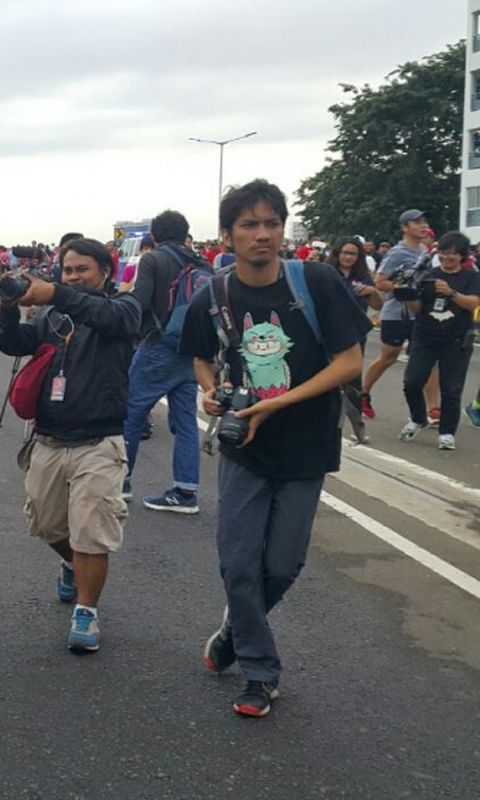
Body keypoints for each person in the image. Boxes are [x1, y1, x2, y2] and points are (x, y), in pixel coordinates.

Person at [180, 180, 371, 718]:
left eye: (271, 223)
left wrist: (276, 403)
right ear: (228, 235)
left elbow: (349, 362)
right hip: (245, 447)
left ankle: (233, 633)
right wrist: (210, 391)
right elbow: (199, 357)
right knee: (239, 563)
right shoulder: (212, 295)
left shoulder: (316, 281)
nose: (262, 234)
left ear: (283, 229)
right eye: (249, 225)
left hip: (307, 444)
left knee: (282, 565)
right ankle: (261, 674)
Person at [0, 238, 139, 651]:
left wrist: (58, 293)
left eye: (83, 269)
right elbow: (12, 342)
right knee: (45, 522)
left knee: (91, 532)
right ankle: (73, 565)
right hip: (50, 438)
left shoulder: (124, 309)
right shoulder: (52, 317)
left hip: (99, 441)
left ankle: (87, 612)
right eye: (67, 270)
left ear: (106, 272)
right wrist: (7, 307)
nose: (73, 276)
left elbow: (107, 317)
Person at [122, 210, 205, 512]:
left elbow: (139, 302)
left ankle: (122, 481)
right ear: (186, 233)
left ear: (155, 236)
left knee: (130, 412)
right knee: (185, 422)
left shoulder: (153, 259)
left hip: (158, 346)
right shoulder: (200, 262)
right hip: (191, 351)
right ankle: (185, 491)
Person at [398, 231, 480, 450]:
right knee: (412, 381)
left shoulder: (471, 277)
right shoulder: (428, 275)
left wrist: (451, 293)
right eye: (443, 252)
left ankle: (447, 432)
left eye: (453, 254)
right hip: (425, 335)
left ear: (462, 256)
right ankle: (418, 417)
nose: (447, 257)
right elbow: (417, 309)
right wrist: (409, 297)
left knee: (451, 388)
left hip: (456, 339)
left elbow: (473, 303)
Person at [362, 210, 438, 420]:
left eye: (424, 221)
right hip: (396, 314)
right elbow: (379, 281)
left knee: (429, 360)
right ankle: (363, 393)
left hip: (420, 314)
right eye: (417, 222)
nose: (423, 226)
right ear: (405, 227)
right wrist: (398, 289)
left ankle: (434, 409)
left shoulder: (425, 250)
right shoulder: (397, 253)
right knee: (389, 357)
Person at [327, 237, 382, 443]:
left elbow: (378, 305)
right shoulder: (328, 274)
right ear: (337, 254)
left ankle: (358, 429)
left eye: (353, 254)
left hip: (355, 335)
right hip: (329, 335)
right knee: (328, 380)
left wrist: (373, 291)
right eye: (345, 253)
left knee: (353, 385)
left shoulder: (363, 277)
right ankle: (327, 424)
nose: (349, 257)